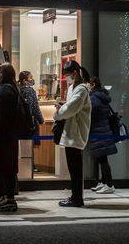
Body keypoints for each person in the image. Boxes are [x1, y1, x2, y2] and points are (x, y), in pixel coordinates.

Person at [54, 60, 92, 207]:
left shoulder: (81, 89)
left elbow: (71, 108)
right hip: (71, 132)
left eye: (69, 74)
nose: (67, 77)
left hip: (76, 133)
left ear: (75, 73)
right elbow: (70, 107)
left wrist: (58, 113)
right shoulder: (73, 88)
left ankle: (77, 198)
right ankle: (75, 196)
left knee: (75, 168)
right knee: (73, 168)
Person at [0, 64, 21, 212]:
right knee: (4, 167)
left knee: (5, 167)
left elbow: (2, 116)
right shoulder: (9, 89)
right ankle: (5, 197)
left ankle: (9, 198)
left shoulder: (6, 90)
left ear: (4, 73)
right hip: (6, 136)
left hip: (4, 137)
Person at [87, 76, 117, 194]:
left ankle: (109, 184)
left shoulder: (94, 97)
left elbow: (90, 112)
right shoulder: (102, 96)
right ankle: (104, 182)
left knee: (102, 158)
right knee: (101, 158)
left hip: (98, 130)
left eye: (89, 84)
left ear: (93, 84)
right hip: (103, 129)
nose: (88, 86)